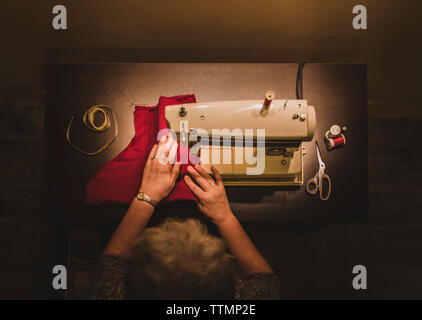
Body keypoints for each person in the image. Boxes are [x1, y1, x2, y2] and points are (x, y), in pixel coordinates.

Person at [92, 135, 280, 299]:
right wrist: (225, 218)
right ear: (232, 282)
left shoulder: (109, 294)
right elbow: (264, 280)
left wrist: (146, 196)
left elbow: (112, 263)